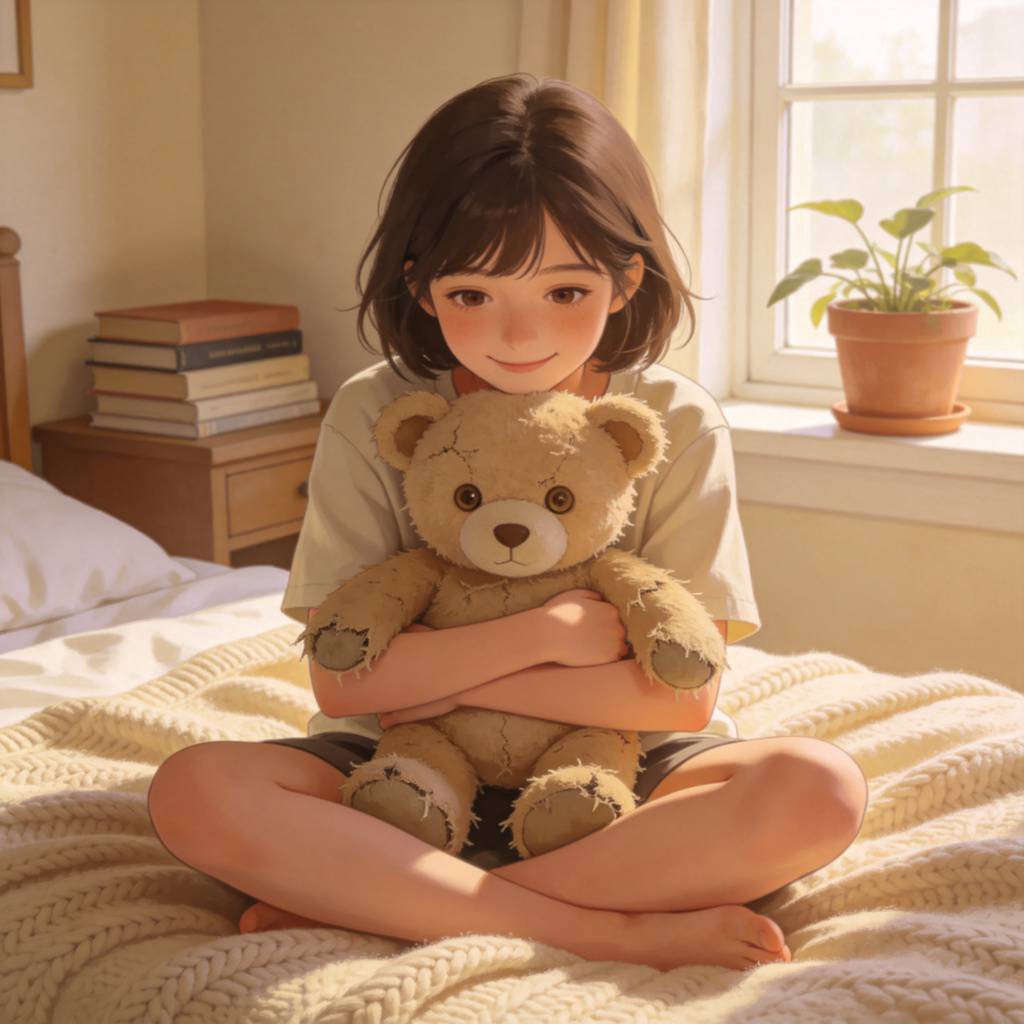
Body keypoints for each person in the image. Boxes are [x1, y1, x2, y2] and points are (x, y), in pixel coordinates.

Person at [148, 74, 866, 972]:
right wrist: (550, 636)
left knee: (819, 789)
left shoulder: (670, 419)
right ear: (420, 287)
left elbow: (682, 697)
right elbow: (345, 686)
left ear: (625, 279)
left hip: (618, 770)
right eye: (474, 295)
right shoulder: (378, 411)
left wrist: (436, 680)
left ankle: (389, 893)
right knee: (196, 792)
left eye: (564, 292)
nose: (520, 336)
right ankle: (597, 927)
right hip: (401, 769)